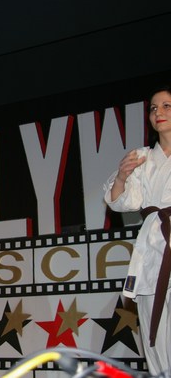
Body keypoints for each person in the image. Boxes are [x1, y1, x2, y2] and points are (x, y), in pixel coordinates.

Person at [104, 85, 171, 376]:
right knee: (156, 341)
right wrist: (122, 176)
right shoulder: (142, 157)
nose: (158, 113)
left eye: (166, 106)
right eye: (153, 108)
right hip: (152, 250)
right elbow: (121, 201)